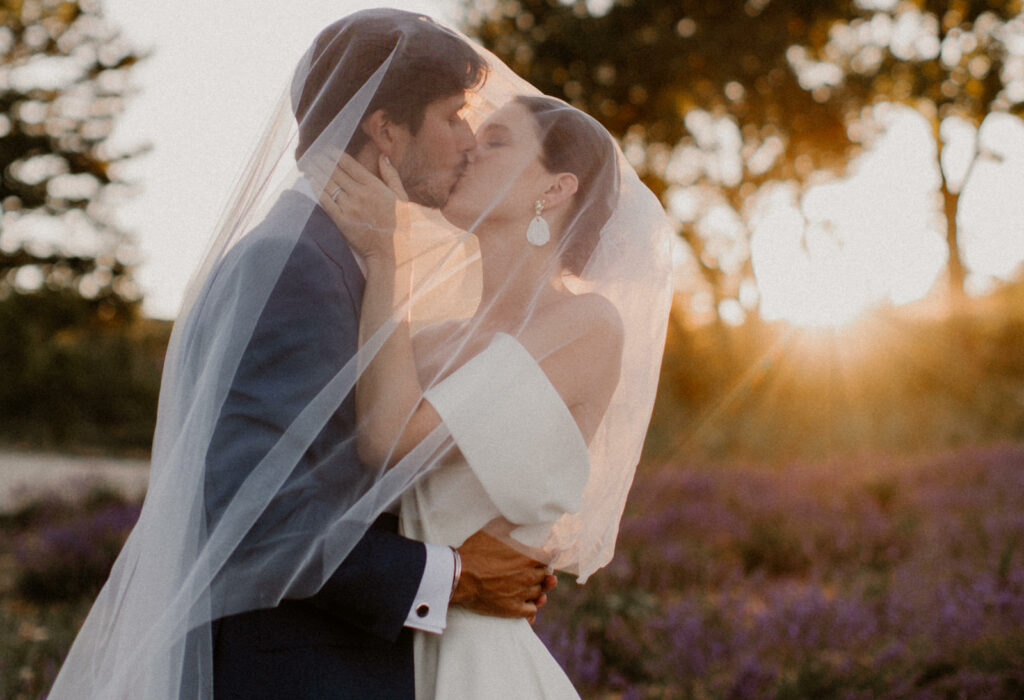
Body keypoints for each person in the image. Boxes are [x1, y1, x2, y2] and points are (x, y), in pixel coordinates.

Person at [47, 11, 561, 699]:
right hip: (295, 671)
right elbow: (261, 515)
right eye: (452, 117)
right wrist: (455, 575)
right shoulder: (295, 264)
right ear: (384, 127)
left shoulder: (324, 254)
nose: (467, 142)